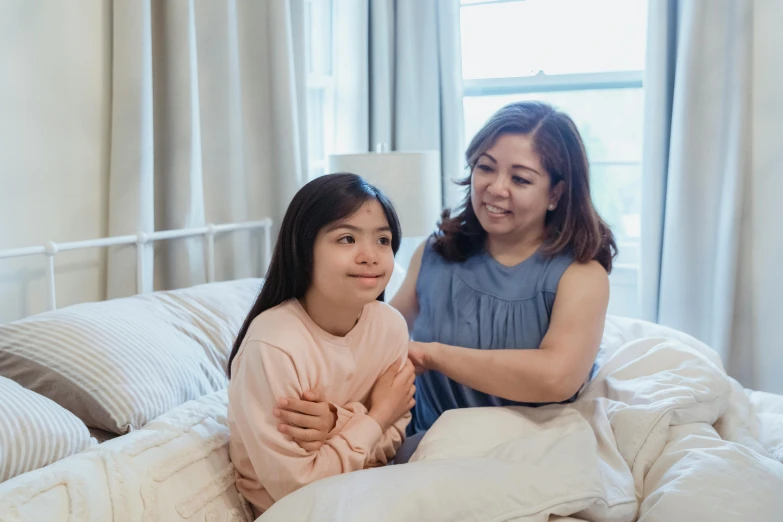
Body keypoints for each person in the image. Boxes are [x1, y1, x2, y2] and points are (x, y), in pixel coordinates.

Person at [278, 100, 616, 464]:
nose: (495, 188)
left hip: (522, 452)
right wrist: (333, 414)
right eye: (485, 168)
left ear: (556, 193)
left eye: (520, 179)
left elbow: (557, 377)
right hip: (422, 444)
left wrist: (432, 354)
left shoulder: (580, 274)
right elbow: (370, 339)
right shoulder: (437, 253)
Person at [226, 173, 416, 516]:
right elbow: (299, 487)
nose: (370, 255)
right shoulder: (273, 347)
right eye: (346, 239)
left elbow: (395, 434)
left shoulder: (390, 327)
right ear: (303, 249)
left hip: (374, 491)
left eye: (383, 240)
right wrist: (377, 416)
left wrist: (336, 422)